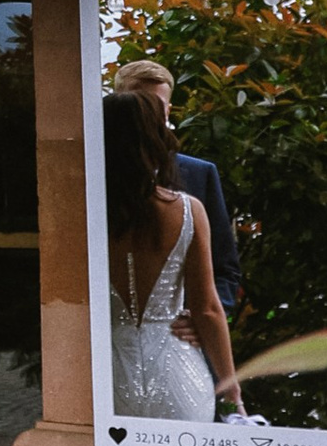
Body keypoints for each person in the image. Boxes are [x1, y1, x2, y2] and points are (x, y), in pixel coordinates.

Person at [104, 85, 244, 425]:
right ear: (155, 139)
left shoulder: (84, 218)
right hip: (179, 378)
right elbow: (208, 309)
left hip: (108, 379)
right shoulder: (186, 210)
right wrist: (232, 391)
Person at [113, 56, 241, 314]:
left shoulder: (199, 174)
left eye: (156, 106)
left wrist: (200, 317)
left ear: (168, 110)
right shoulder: (93, 174)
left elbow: (225, 268)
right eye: (139, 104)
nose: (147, 115)